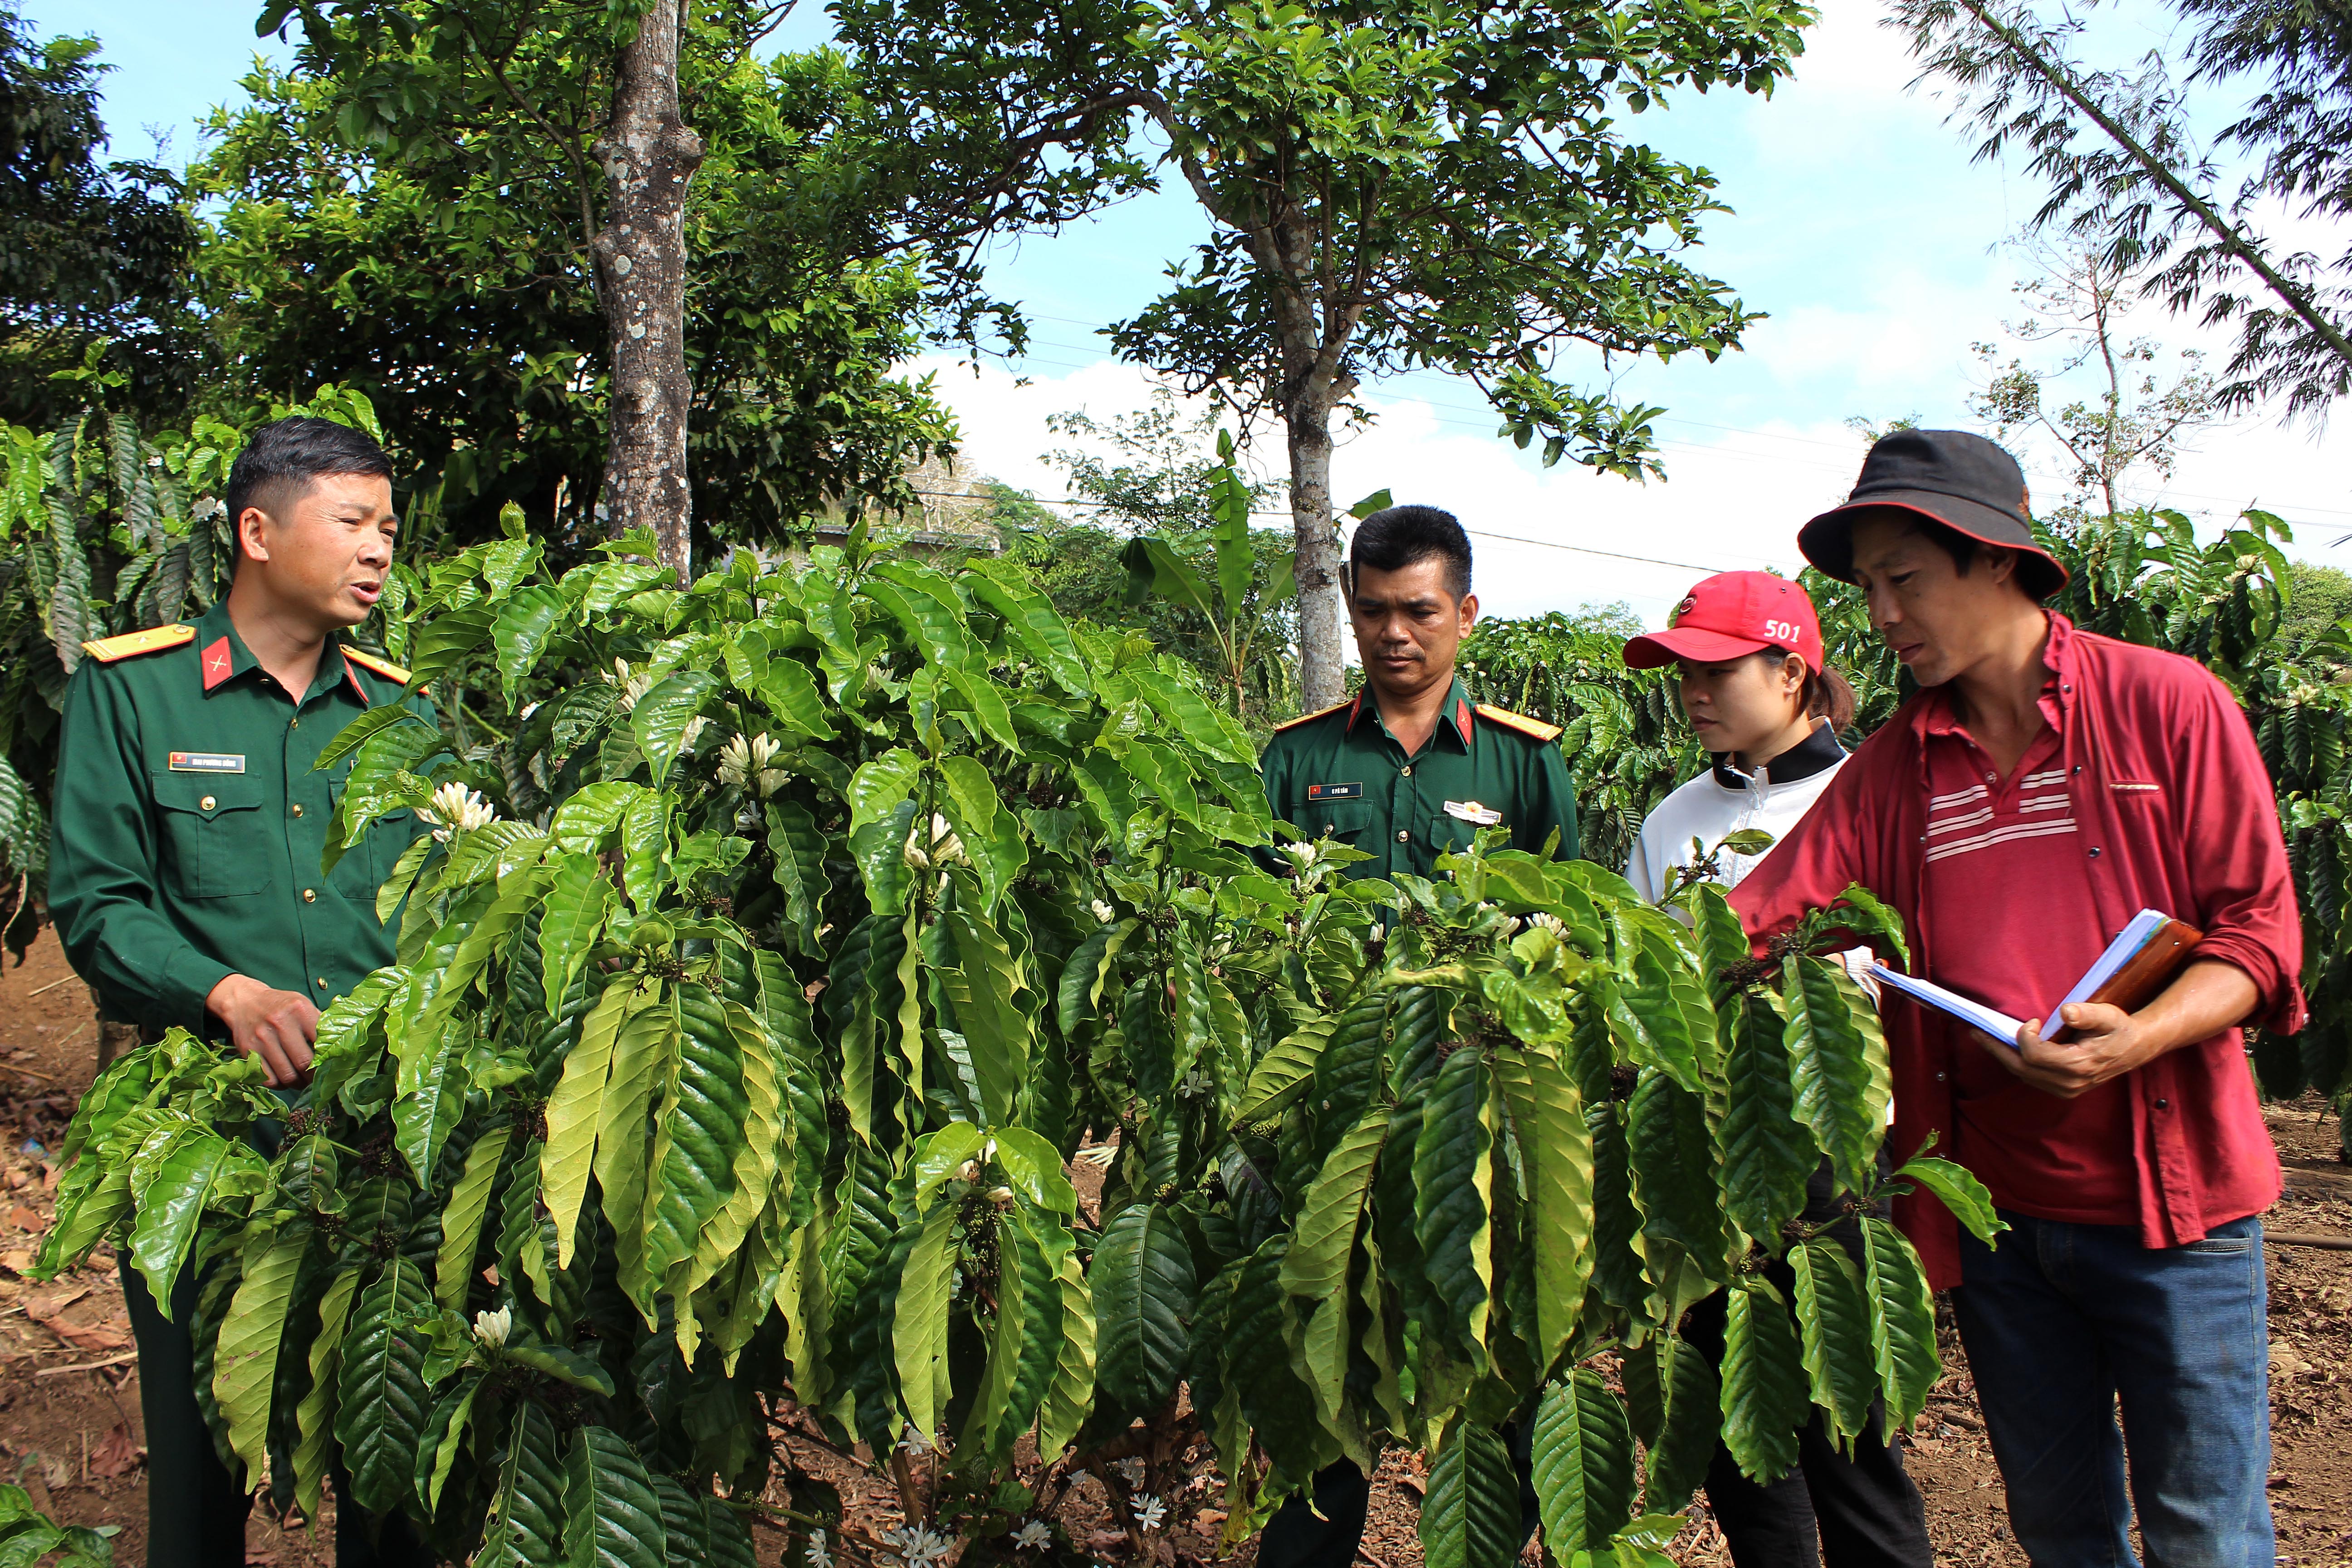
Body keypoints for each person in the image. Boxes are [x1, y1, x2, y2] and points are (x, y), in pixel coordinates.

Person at [1730, 429, 2301, 1567]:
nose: (1883, 616)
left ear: (1997, 559)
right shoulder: (1896, 767)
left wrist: (2135, 1037)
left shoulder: (2168, 706)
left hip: (2173, 1209)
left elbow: (2260, 934)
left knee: (2205, 1532)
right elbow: (1768, 915)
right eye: (1867, 588)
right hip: (1999, 1220)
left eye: (1904, 579)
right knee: (2060, 1528)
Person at [48, 417, 437, 1568]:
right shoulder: (138, 691)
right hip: (208, 1141)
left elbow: (440, 907)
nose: (380, 549)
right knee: (200, 1472)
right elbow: (99, 903)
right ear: (258, 532)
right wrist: (225, 992)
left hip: (381, 1142)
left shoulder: (401, 715)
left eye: (390, 528)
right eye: (353, 521)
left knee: (393, 1465)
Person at [1254, 503, 1576, 1568]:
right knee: (1327, 1346)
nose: (1395, 633)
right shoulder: (1297, 758)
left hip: (1477, 1101)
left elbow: (1562, 930)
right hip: (1333, 1103)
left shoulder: (1523, 763)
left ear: (1465, 614)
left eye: (1420, 611)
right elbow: (1258, 924)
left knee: (1492, 1329)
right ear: (1351, 610)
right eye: (1375, 610)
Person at [1620, 573, 1934, 1568]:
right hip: (1703, 1149)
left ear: (1793, 673)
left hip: (1831, 1147)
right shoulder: (1674, 818)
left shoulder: (1868, 798)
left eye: (1717, 672)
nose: (1693, 693)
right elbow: (1643, 974)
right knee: (1740, 1437)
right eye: (1681, 674)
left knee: (1850, 1435)